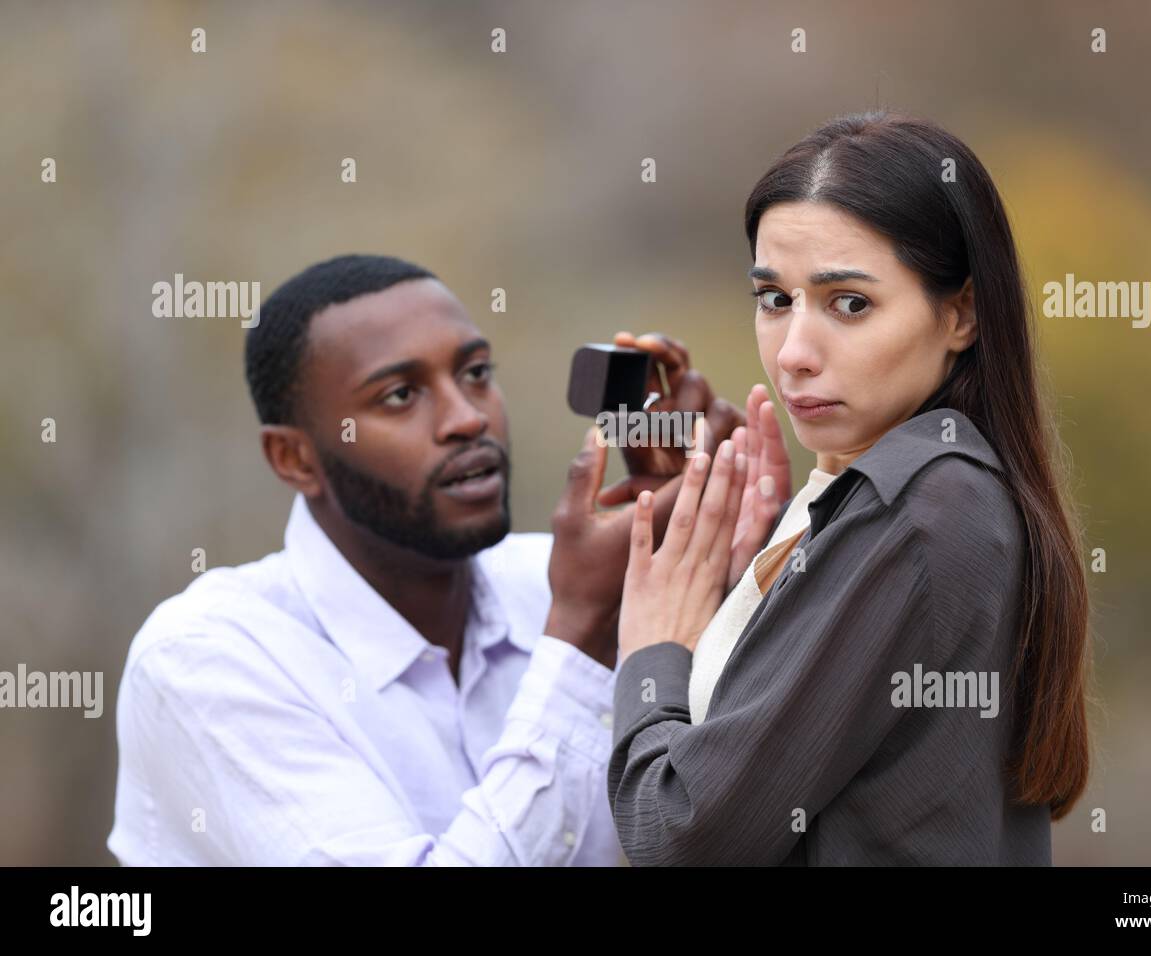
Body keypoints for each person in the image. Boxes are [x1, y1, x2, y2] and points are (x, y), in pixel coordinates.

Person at [106, 253, 772, 865]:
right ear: (295, 457)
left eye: (475, 374)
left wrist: (718, 580)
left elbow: (714, 824)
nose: (466, 418)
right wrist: (584, 639)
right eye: (399, 395)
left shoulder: (551, 584)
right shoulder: (207, 659)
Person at [608, 111, 1093, 865]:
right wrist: (768, 572)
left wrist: (653, 650)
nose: (794, 353)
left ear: (961, 312)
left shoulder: (920, 513)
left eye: (851, 304)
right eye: (775, 300)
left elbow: (678, 832)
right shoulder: (941, 489)